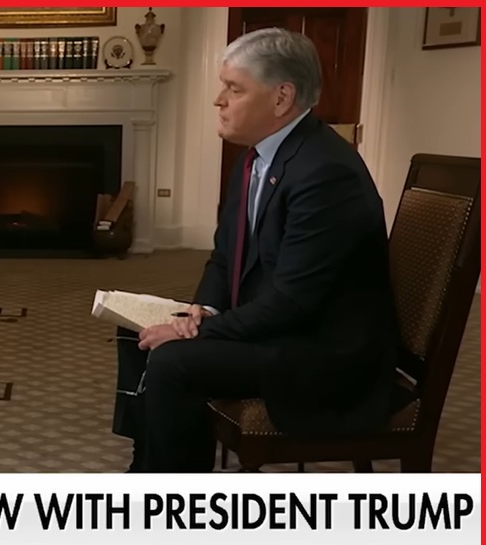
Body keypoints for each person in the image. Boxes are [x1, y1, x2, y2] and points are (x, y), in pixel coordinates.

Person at [112, 28, 400, 472]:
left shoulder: (326, 174)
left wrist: (200, 332)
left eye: (234, 88)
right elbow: (224, 257)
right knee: (139, 332)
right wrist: (200, 312)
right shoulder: (255, 159)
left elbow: (292, 303)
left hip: (323, 352)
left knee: (173, 362)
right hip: (282, 326)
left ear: (281, 97)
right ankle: (147, 472)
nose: (219, 100)